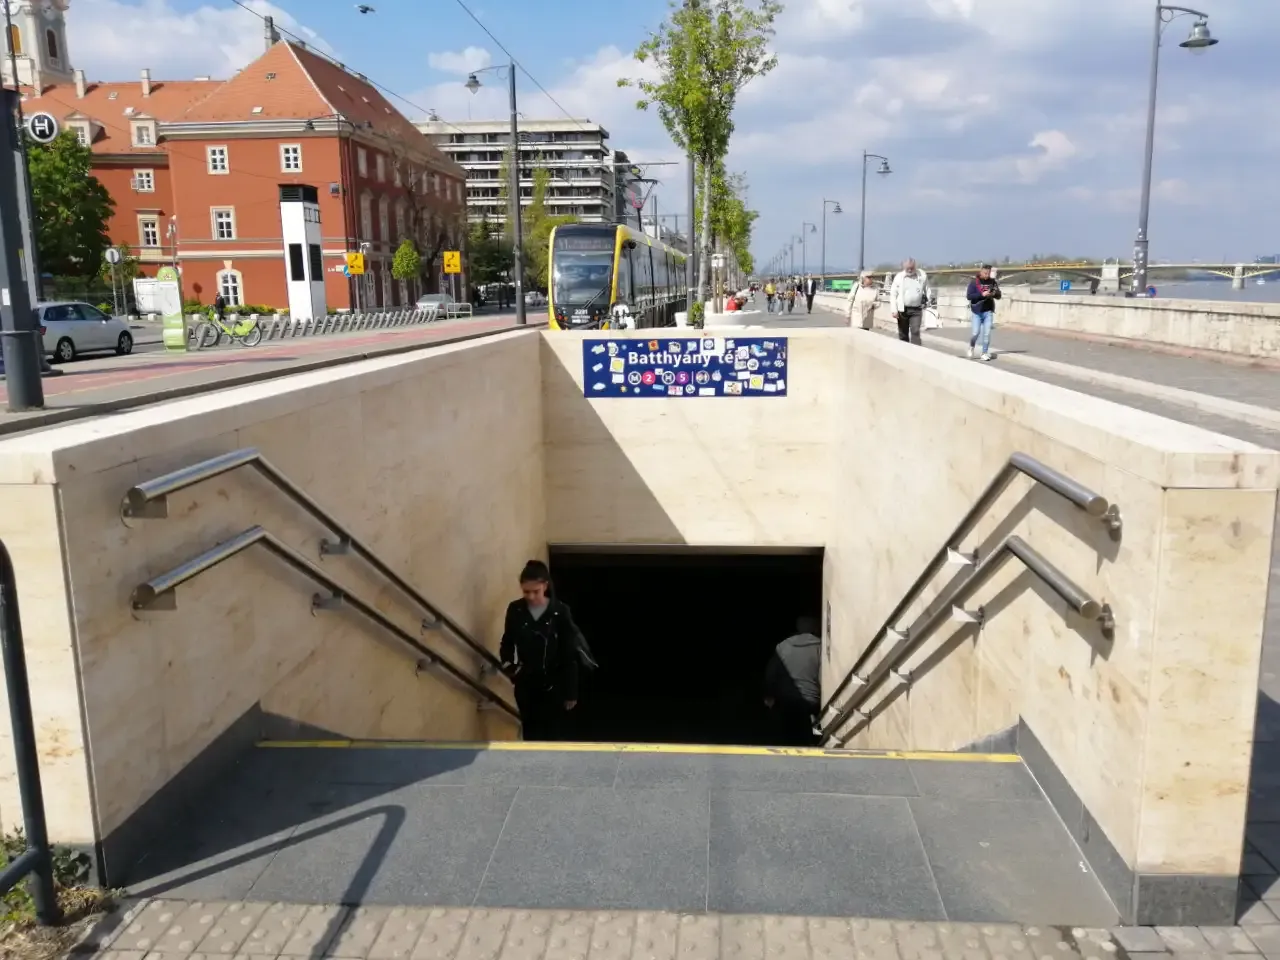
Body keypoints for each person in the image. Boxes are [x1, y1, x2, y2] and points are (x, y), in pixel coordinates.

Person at [499, 560, 594, 741]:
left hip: (555, 683)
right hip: (526, 683)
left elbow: (569, 652)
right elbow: (507, 642)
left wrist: (571, 691)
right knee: (530, 731)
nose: (532, 597)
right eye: (527, 592)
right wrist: (511, 668)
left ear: (545, 586)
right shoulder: (516, 609)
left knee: (554, 733)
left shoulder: (559, 611)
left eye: (536, 591)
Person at [763, 617, 822, 746]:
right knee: (810, 740)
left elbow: (771, 674)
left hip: (785, 702)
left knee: (786, 739)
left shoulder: (782, 646)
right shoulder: (820, 647)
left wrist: (769, 696)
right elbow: (824, 677)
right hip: (811, 704)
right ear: (816, 628)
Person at [965, 264, 1002, 361]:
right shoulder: (974, 282)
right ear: (981, 272)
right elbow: (969, 296)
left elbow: (999, 295)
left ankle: (984, 353)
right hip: (977, 312)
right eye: (985, 273)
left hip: (988, 311)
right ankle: (971, 346)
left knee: (987, 334)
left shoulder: (992, 282)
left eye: (988, 273)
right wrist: (981, 295)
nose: (987, 275)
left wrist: (993, 294)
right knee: (975, 333)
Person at [889, 258, 930, 345]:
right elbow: (893, 294)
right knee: (903, 333)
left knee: (915, 331)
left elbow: (927, 290)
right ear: (904, 267)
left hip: (917, 309)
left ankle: (916, 352)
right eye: (908, 268)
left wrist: (927, 301)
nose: (910, 270)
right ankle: (904, 351)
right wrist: (894, 310)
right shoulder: (899, 277)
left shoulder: (922, 275)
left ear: (915, 266)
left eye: (912, 268)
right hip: (902, 309)